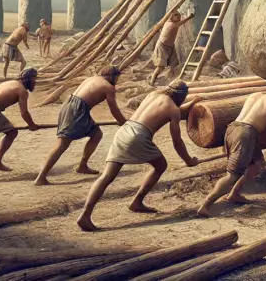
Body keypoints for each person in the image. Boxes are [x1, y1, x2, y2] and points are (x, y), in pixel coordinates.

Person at [77, 80, 200, 231]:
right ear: (181, 96)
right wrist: (188, 160)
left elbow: (174, 110)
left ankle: (85, 215)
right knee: (161, 166)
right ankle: (137, 201)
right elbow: (177, 140)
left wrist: (193, 102)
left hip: (124, 131)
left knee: (107, 176)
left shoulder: (154, 95)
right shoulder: (173, 109)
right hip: (138, 136)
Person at [197, 81, 266, 217]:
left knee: (257, 164)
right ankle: (205, 205)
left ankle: (234, 194)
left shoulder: (256, 95)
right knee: (232, 175)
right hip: (245, 134)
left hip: (233, 128)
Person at [35, 66, 128, 185]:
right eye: (118, 78)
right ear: (113, 77)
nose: (118, 81)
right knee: (62, 144)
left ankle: (82, 166)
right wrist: (124, 123)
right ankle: (41, 177)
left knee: (96, 134)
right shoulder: (108, 87)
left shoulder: (92, 78)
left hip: (70, 105)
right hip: (76, 109)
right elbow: (114, 109)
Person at [149, 11, 194, 85]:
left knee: (174, 63)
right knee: (160, 66)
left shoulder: (170, 23)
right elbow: (180, 23)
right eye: (177, 16)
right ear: (172, 17)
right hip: (162, 47)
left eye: (179, 15)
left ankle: (174, 77)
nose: (179, 17)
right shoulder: (170, 24)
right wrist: (189, 17)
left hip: (170, 46)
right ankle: (152, 80)